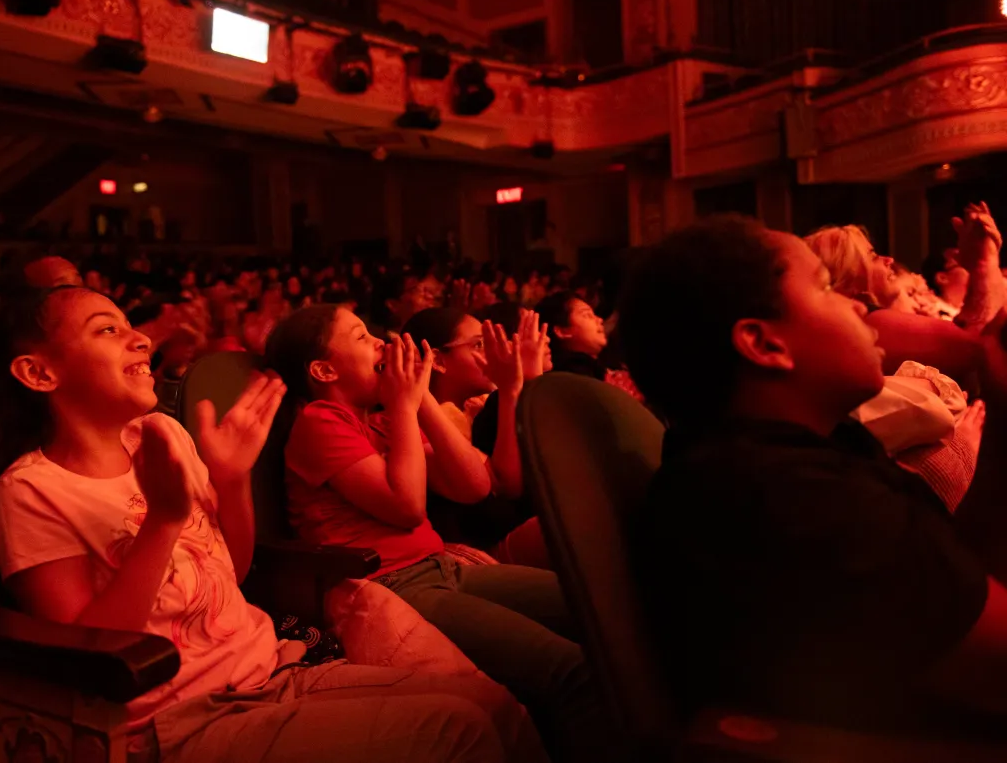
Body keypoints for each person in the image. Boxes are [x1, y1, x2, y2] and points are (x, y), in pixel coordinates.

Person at [0, 286, 544, 763]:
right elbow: (88, 663)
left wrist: (231, 478)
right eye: (107, 330)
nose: (142, 338)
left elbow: (234, 570)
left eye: (130, 326)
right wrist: (164, 522)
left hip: (269, 670)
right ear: (38, 372)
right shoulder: (29, 494)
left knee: (495, 707)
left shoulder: (162, 436)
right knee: (457, 732)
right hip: (175, 721)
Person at [617, 214, 1007, 736]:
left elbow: (959, 574)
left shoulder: (800, 453)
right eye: (826, 287)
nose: (857, 304)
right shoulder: (791, 501)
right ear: (765, 344)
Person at [267, 304, 609, 763]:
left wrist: (418, 398)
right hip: (390, 584)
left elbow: (475, 486)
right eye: (362, 337)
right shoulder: (320, 420)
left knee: (599, 606)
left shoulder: (382, 419)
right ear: (324, 369)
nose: (381, 344)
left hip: (441, 567)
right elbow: (406, 507)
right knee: (572, 671)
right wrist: (407, 405)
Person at [402, 306, 551, 568]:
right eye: (479, 344)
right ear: (437, 360)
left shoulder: (476, 410)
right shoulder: (418, 420)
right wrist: (511, 391)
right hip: (479, 547)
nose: (493, 354)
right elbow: (506, 484)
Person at [805, 210, 1003, 381]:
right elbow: (974, 346)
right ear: (847, 280)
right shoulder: (868, 323)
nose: (889, 259)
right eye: (873, 257)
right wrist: (983, 264)